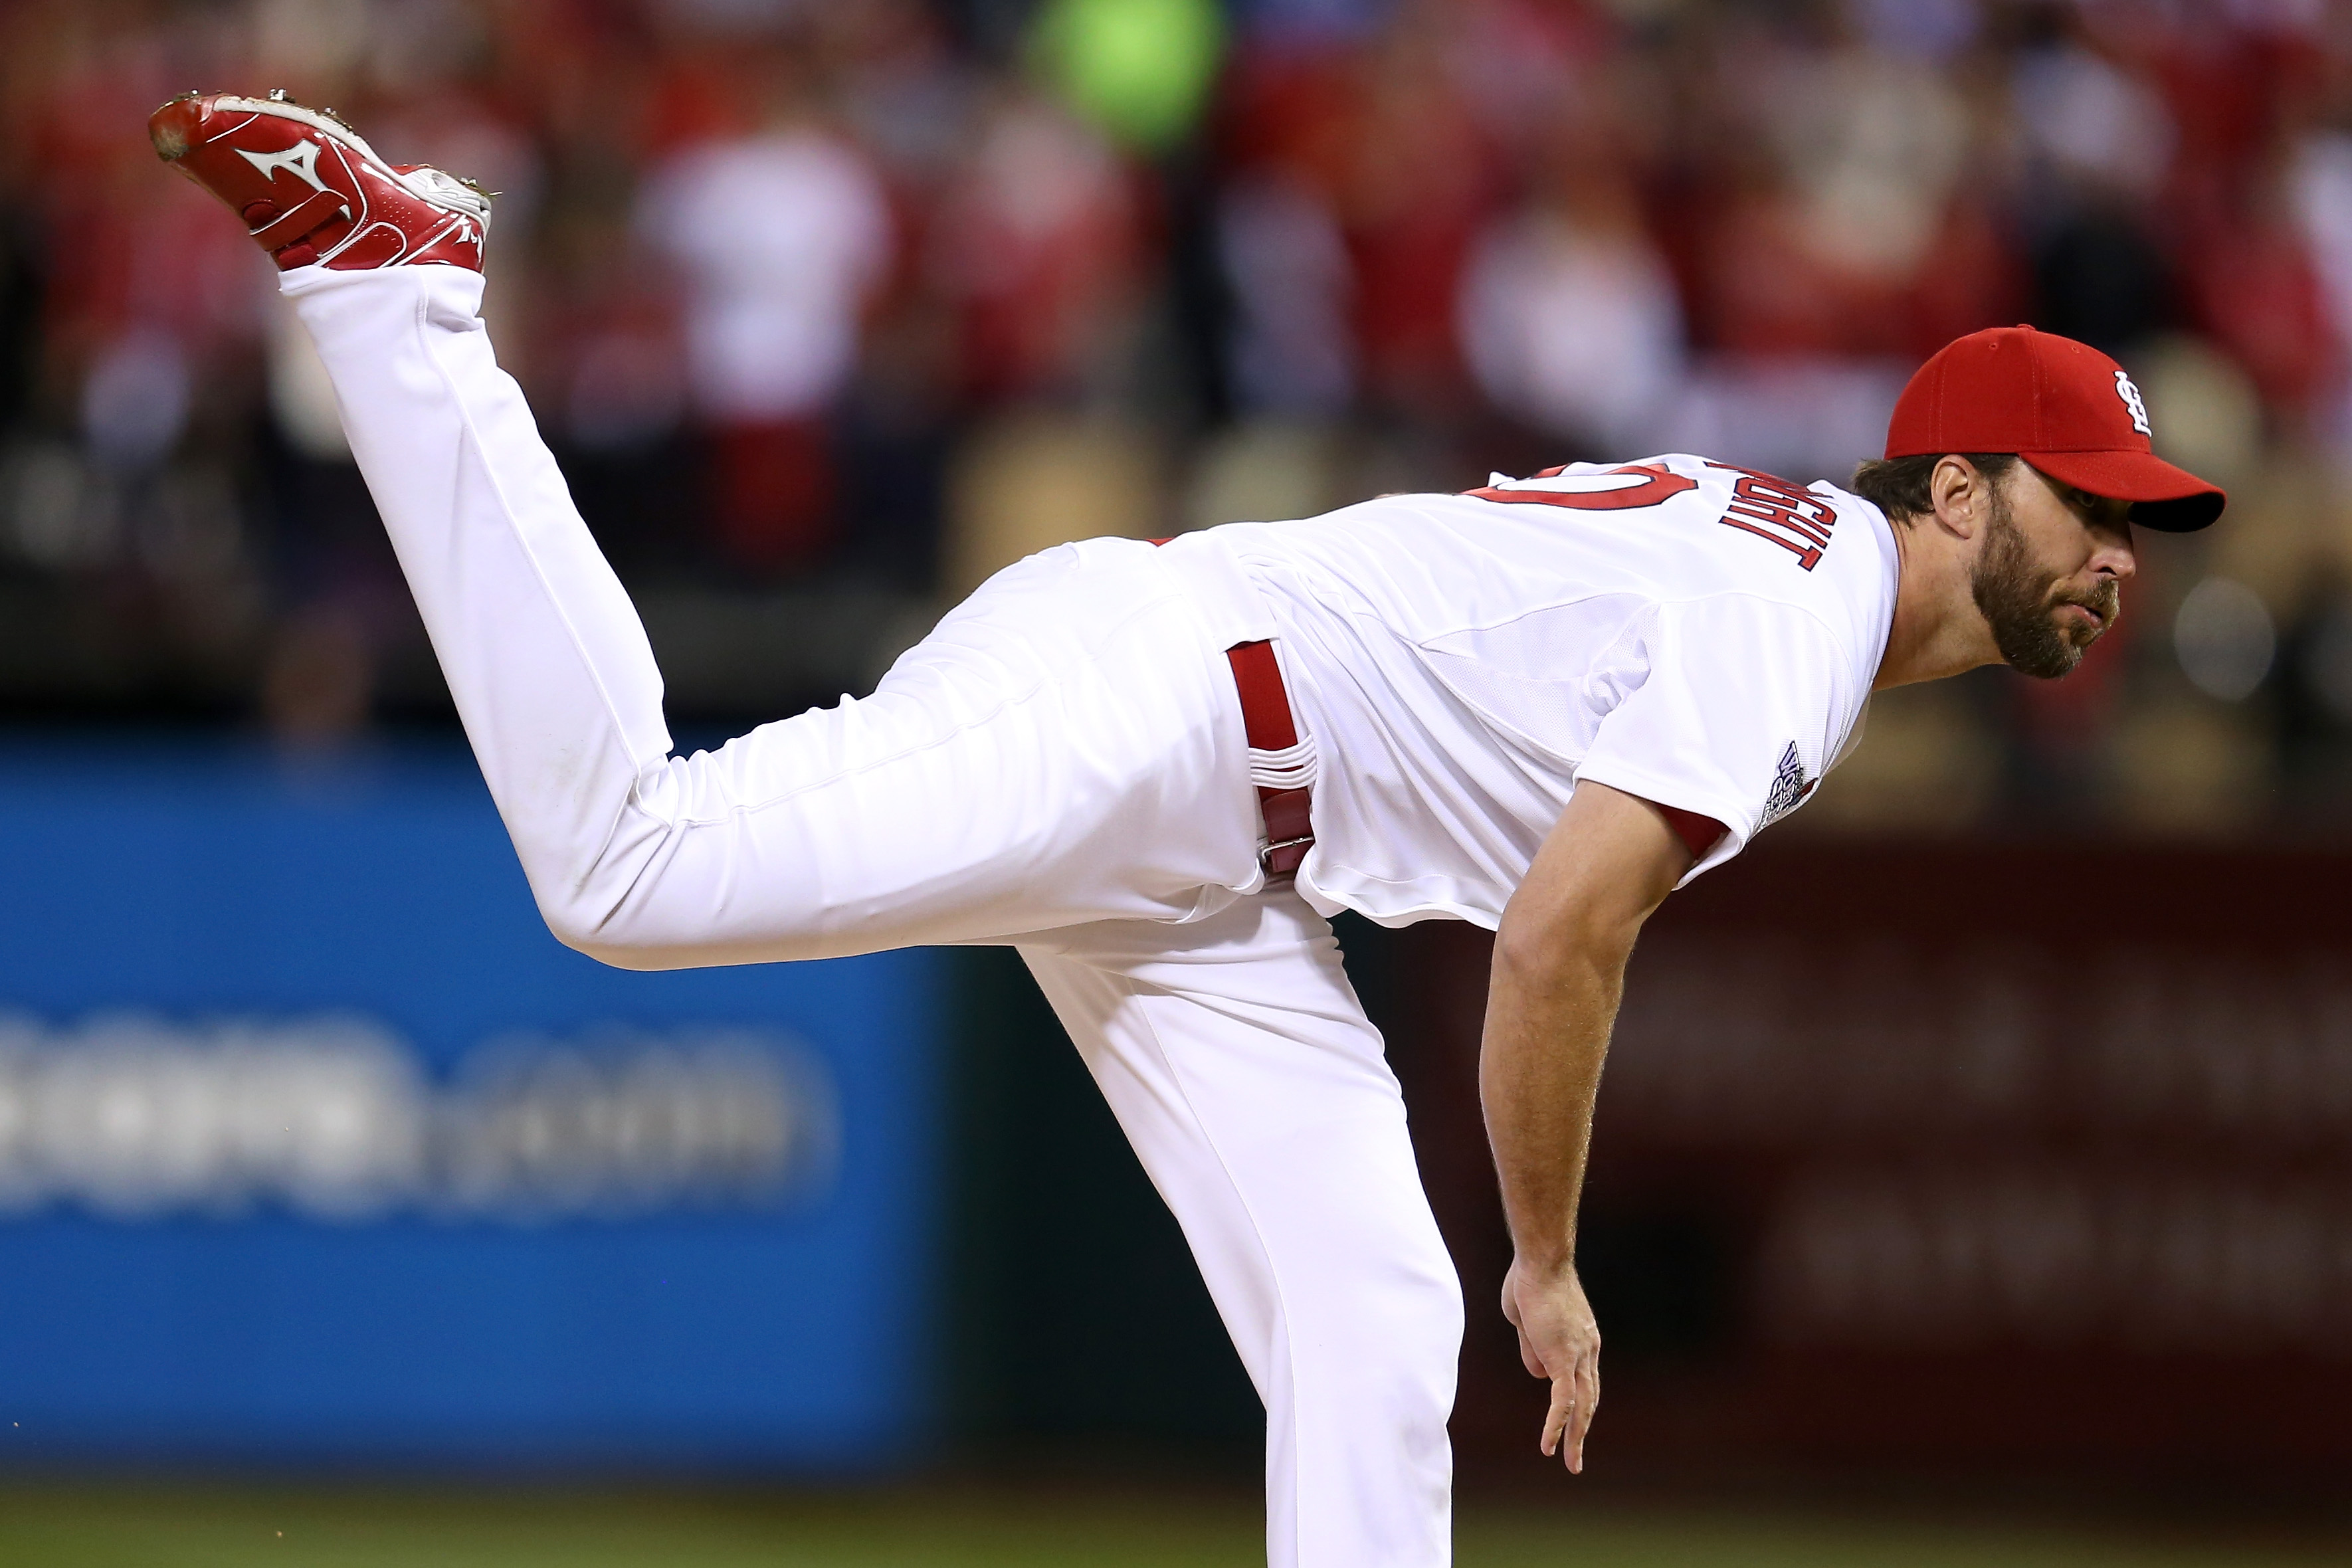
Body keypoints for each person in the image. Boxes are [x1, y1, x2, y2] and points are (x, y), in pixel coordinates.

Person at [150, 92, 2224, 1568]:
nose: (2121, 549)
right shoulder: (1809, 608)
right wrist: (1552, 1258)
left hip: (1222, 849)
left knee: (1368, 1324)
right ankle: (400, 300)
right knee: (629, 872)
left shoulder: (1786, 569)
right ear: (1954, 491)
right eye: (2088, 501)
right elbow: (1563, 940)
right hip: (1153, 712)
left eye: (2136, 516)